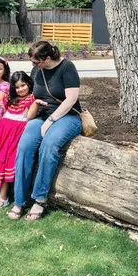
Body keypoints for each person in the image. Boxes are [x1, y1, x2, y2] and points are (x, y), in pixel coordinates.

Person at [9, 41, 83, 221]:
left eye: (36, 62)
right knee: (25, 146)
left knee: (49, 146)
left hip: (67, 117)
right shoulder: (37, 70)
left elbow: (71, 99)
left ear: (48, 58)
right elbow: (34, 94)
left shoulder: (67, 67)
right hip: (41, 116)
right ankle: (19, 200)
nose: (33, 66)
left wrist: (50, 121)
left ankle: (40, 199)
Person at [0, 71, 39, 211]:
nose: (21, 89)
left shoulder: (32, 100)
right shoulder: (10, 98)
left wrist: (36, 103)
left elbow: (30, 116)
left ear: (29, 83)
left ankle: (3, 197)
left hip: (15, 135)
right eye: (17, 87)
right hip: (2, 133)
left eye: (23, 85)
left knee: (5, 162)